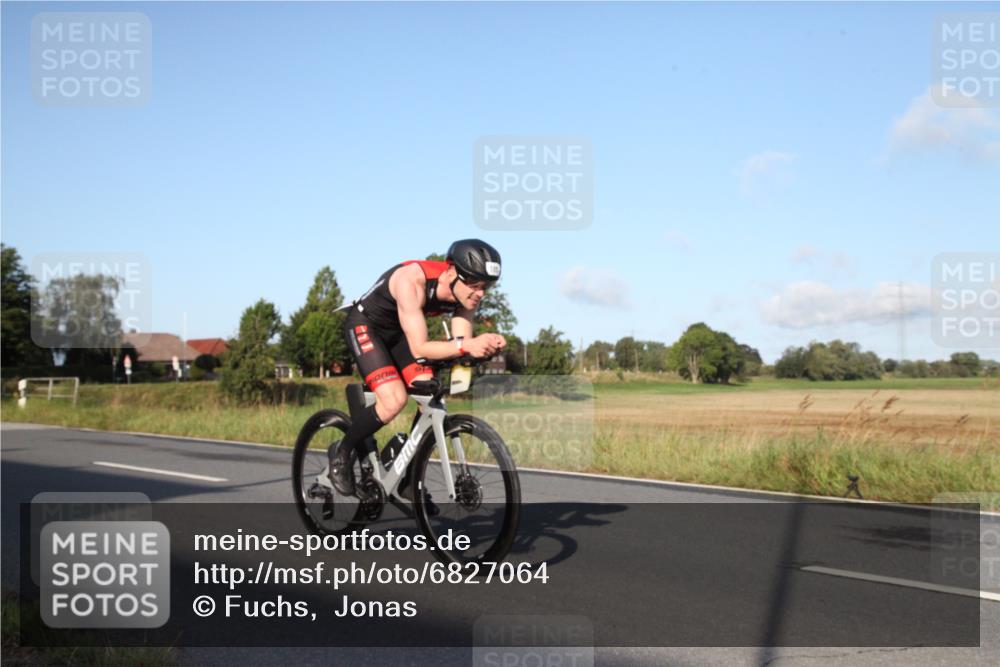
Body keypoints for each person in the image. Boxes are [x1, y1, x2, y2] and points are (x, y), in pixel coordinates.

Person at [329, 239, 507, 495]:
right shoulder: (411, 280)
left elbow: (460, 344)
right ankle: (342, 452)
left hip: (400, 334)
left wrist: (483, 348)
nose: (479, 293)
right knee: (393, 400)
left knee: (428, 397)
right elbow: (421, 348)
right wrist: (467, 347)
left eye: (485, 287)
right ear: (450, 272)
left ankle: (407, 477)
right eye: (474, 285)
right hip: (366, 326)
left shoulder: (466, 296)